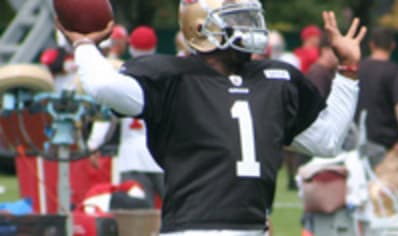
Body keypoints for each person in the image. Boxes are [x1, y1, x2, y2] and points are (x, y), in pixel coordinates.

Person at [57, 0, 366, 234]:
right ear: (200, 26)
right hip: (194, 227)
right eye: (237, 18)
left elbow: (327, 140)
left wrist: (348, 72)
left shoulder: (275, 79)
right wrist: (84, 43)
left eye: (248, 16)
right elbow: (103, 85)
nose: (249, 25)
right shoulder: (173, 77)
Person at [88, 25, 164, 209]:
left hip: (131, 156)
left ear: (131, 46)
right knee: (176, 211)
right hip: (162, 155)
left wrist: (93, 145)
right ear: (155, 45)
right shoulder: (166, 75)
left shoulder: (124, 74)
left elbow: (108, 114)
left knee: (135, 213)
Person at [356, 28, 398, 194]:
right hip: (386, 144)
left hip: (357, 140)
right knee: (386, 198)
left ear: (371, 45)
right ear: (393, 46)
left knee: (360, 194)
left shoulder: (358, 69)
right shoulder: (395, 72)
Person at [307, 34, 339, 98]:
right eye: (337, 52)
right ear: (325, 50)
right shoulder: (318, 73)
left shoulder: (327, 71)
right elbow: (317, 103)